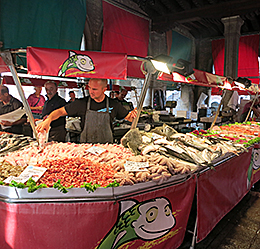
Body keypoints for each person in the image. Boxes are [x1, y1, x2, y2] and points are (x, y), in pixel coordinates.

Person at [36, 78, 137, 144]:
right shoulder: (81, 103)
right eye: (89, 88)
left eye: (95, 89)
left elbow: (128, 117)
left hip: (107, 149)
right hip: (86, 148)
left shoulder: (114, 104)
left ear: (104, 89)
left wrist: (134, 115)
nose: (91, 92)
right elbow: (60, 111)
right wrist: (48, 119)